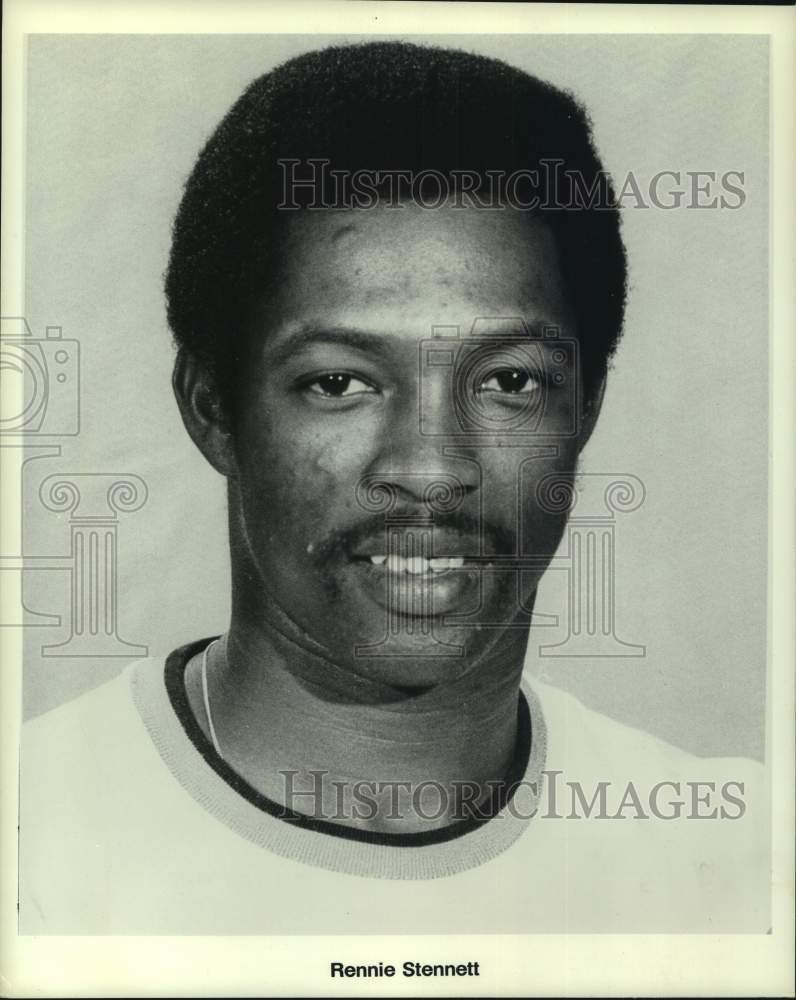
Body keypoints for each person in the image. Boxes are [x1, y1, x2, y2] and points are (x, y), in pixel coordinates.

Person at [19, 40, 767, 934]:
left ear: (588, 408)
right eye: (339, 383)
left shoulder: (735, 871)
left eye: (509, 382)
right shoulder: (28, 847)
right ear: (212, 408)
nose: (430, 467)